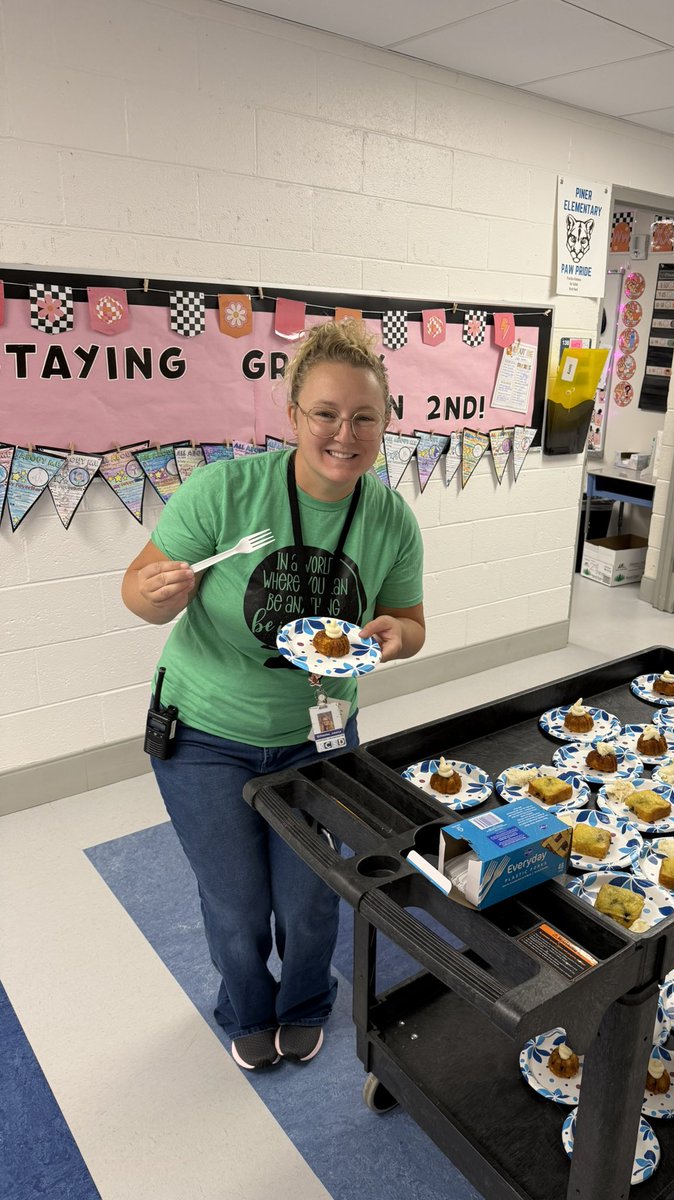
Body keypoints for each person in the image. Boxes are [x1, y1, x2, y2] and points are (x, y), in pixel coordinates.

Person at [122, 319, 425, 1071]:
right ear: (292, 415)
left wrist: (394, 636)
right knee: (235, 898)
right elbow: (140, 590)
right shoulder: (224, 491)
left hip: (318, 736)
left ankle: (306, 1002)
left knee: (312, 894)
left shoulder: (389, 518)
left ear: (385, 423)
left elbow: (412, 624)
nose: (343, 434)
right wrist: (156, 594)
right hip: (204, 732)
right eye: (325, 413)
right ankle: (246, 1007)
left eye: (364, 417)